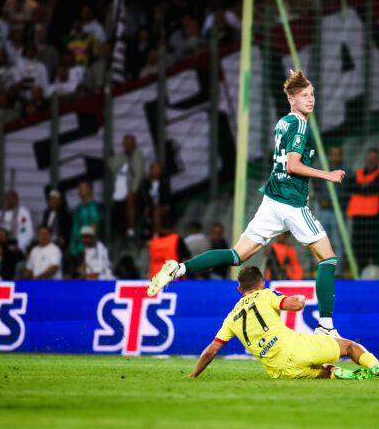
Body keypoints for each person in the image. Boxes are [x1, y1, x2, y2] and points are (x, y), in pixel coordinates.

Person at [149, 70, 346, 337]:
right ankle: (326, 326)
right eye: (304, 95)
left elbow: (283, 165)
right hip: (289, 203)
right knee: (328, 259)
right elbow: (293, 164)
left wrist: (302, 188)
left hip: (272, 199)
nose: (310, 100)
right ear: (291, 99)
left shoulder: (283, 122)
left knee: (236, 255)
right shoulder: (300, 125)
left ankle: (178, 268)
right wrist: (327, 174)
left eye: (312, 94)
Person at [187, 266, 379, 380]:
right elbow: (293, 306)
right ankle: (375, 366)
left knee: (323, 370)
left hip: (279, 371)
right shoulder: (266, 294)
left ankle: (340, 373)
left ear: (239, 290)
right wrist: (300, 300)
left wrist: (194, 374)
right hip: (296, 347)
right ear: (262, 283)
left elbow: (211, 350)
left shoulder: (231, 317)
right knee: (349, 346)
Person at [313, 145, 351, 275]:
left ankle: (337, 272)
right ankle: (323, 270)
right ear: (329, 156)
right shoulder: (323, 169)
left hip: (338, 212)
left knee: (337, 243)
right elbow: (316, 186)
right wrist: (320, 198)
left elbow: (347, 192)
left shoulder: (347, 171)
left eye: (337, 154)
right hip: (323, 211)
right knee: (322, 241)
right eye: (333, 154)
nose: (335, 157)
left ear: (341, 156)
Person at [347, 148, 379, 270]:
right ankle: (361, 270)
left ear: (378, 160)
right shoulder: (358, 173)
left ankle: (377, 272)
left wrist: (362, 187)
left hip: (374, 218)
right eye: (369, 157)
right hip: (358, 217)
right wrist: (366, 187)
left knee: (374, 247)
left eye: (374, 157)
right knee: (359, 246)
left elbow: (375, 188)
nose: (371, 160)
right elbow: (350, 186)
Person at [109, 134, 145, 239]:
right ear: (123, 144)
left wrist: (132, 191)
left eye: (131, 144)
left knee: (129, 198)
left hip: (136, 193)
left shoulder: (138, 156)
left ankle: (131, 229)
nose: (129, 146)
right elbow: (111, 167)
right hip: (119, 194)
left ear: (134, 145)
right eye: (126, 144)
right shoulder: (120, 156)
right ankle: (123, 234)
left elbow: (139, 175)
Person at [148, 211, 190, 279]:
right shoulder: (176, 239)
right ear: (174, 225)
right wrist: (198, 276)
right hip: (174, 282)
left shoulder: (153, 242)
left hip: (155, 283)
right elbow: (188, 260)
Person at [69, 180, 100, 258]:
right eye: (79, 188)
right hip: (75, 249)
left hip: (84, 250)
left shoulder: (92, 207)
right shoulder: (79, 208)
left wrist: (88, 247)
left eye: (83, 188)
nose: (80, 190)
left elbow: (94, 227)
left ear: (90, 189)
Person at [142, 160, 170, 236]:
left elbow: (167, 199)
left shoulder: (164, 184)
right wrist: (147, 206)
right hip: (150, 208)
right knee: (155, 209)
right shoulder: (146, 184)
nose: (156, 171)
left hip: (162, 207)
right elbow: (144, 198)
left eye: (158, 169)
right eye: (154, 168)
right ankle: (157, 232)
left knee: (157, 209)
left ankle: (156, 233)